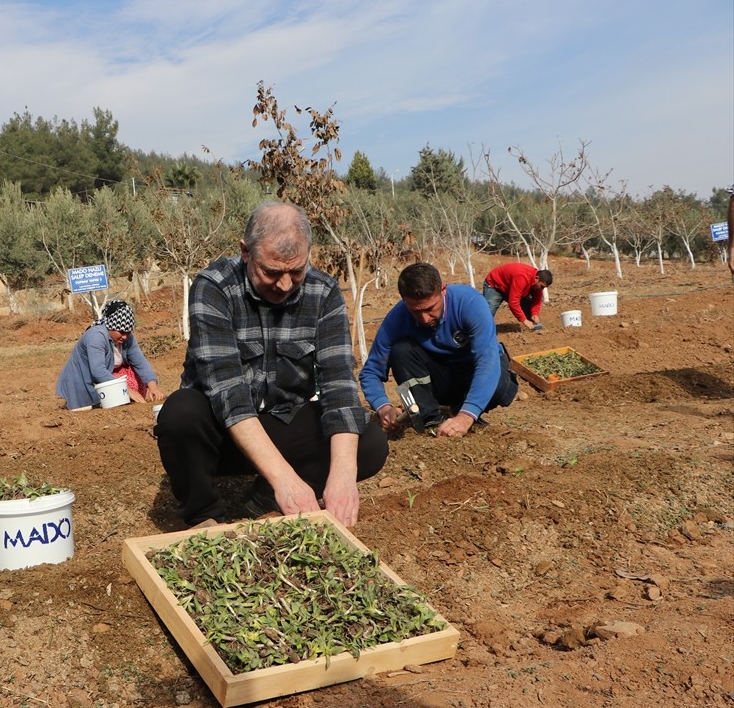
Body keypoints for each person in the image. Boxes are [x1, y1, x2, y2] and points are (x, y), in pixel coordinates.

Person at [155, 202, 388, 529]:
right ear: (245, 252)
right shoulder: (214, 287)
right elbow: (229, 394)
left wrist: (342, 477)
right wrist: (285, 479)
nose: (284, 285)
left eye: (296, 271)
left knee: (368, 442)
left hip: (282, 422)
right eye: (272, 272)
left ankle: (264, 499)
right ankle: (202, 513)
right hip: (221, 435)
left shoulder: (324, 293)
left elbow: (339, 388)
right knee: (180, 413)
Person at [360, 262, 519, 439]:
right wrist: (383, 408)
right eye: (415, 311)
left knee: (497, 381)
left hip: (473, 373)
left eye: (430, 309)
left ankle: (462, 411)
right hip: (439, 376)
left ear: (443, 290)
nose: (424, 318)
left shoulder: (470, 303)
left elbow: (487, 362)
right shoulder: (397, 317)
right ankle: (431, 419)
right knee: (401, 350)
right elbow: (371, 371)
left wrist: (466, 417)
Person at [55, 299, 165, 410]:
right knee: (87, 407)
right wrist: (126, 390)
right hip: (84, 380)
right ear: (110, 325)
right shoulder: (96, 336)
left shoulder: (128, 338)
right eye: (121, 332)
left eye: (127, 332)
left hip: (108, 377)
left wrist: (153, 387)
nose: (125, 336)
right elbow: (98, 371)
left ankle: (125, 400)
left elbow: (140, 362)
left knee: (135, 376)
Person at [481, 261, 552, 330]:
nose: (542, 289)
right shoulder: (522, 277)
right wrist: (524, 320)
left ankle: (531, 328)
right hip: (495, 285)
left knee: (530, 312)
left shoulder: (537, 285)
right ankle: (480, 333)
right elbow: (513, 302)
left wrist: (535, 314)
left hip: (511, 287)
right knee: (487, 315)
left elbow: (537, 301)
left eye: (544, 287)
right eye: (542, 286)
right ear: (536, 278)